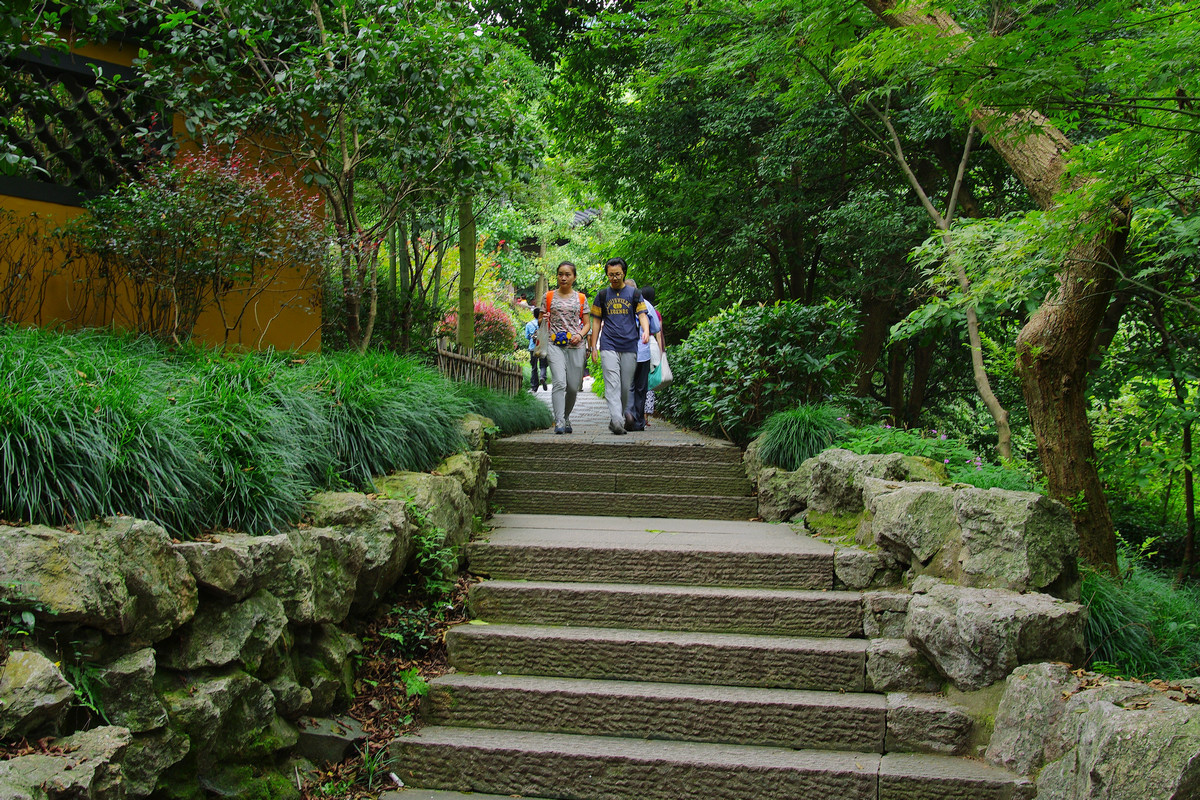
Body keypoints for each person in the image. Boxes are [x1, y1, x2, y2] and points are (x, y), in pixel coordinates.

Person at [589, 257, 649, 435]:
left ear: (624, 273)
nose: (614, 278)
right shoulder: (602, 295)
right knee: (611, 383)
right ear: (607, 275)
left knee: (625, 386)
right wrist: (593, 347)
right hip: (608, 343)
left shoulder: (634, 294)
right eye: (610, 275)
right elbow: (596, 322)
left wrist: (645, 331)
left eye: (617, 274)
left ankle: (618, 416)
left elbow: (643, 315)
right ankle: (616, 420)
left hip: (630, 344)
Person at [543, 261, 591, 434]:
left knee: (572, 386)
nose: (563, 278)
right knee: (559, 383)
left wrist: (580, 335)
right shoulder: (548, 296)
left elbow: (587, 324)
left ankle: (566, 416)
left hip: (575, 345)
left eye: (567, 274)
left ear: (574, 277)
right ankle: (559, 421)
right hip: (554, 344)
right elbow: (541, 319)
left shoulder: (581, 298)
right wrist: (544, 317)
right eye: (560, 274)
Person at [625, 283, 663, 431]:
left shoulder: (617, 306)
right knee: (641, 387)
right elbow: (655, 328)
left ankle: (629, 414)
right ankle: (639, 421)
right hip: (643, 352)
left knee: (628, 386)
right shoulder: (646, 304)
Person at [523, 307, 548, 391]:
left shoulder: (529, 324)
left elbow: (527, 337)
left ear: (534, 315)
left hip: (533, 348)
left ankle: (534, 386)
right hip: (542, 347)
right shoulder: (544, 323)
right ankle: (542, 377)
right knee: (543, 365)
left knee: (534, 367)